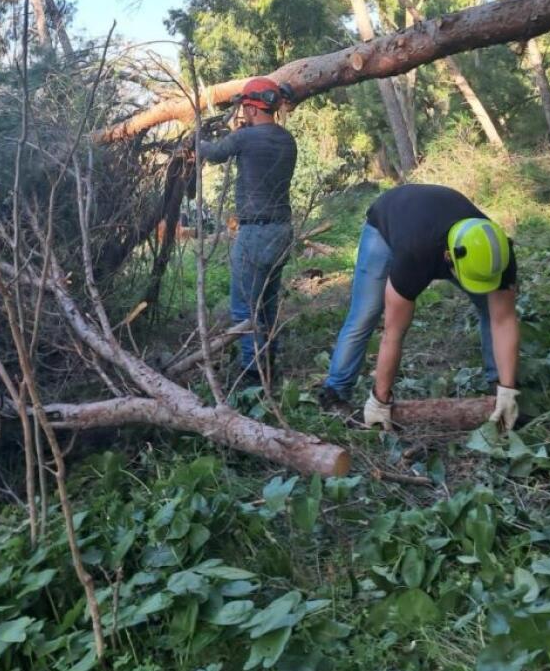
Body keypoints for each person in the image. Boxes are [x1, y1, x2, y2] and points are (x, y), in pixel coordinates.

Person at [316, 184, 521, 432]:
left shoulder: (499, 253)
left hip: (435, 219)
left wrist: (508, 389)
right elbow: (393, 332)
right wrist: (381, 399)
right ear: (448, 258)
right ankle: (335, 393)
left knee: (491, 309)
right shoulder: (414, 256)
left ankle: (498, 387)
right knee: (366, 312)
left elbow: (504, 321)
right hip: (388, 220)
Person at [194, 76, 297, 386]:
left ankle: (252, 375)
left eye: (244, 109)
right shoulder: (287, 140)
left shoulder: (245, 139)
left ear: (252, 108)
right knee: (267, 303)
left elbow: (214, 153)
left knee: (244, 308)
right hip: (282, 230)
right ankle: (269, 362)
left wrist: (195, 141)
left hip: (255, 232)